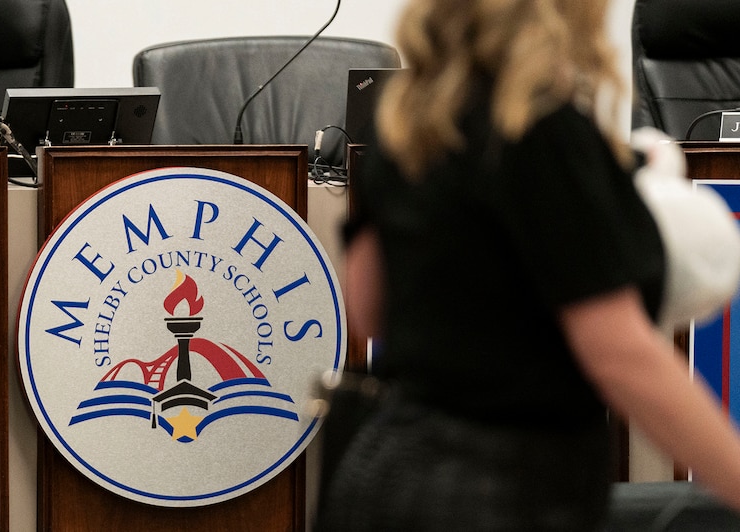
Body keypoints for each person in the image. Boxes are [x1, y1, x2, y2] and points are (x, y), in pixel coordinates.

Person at [314, 1, 740, 530]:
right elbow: (620, 356)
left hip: (383, 475)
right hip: (499, 490)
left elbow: (368, 308)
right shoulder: (540, 129)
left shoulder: (403, 123)